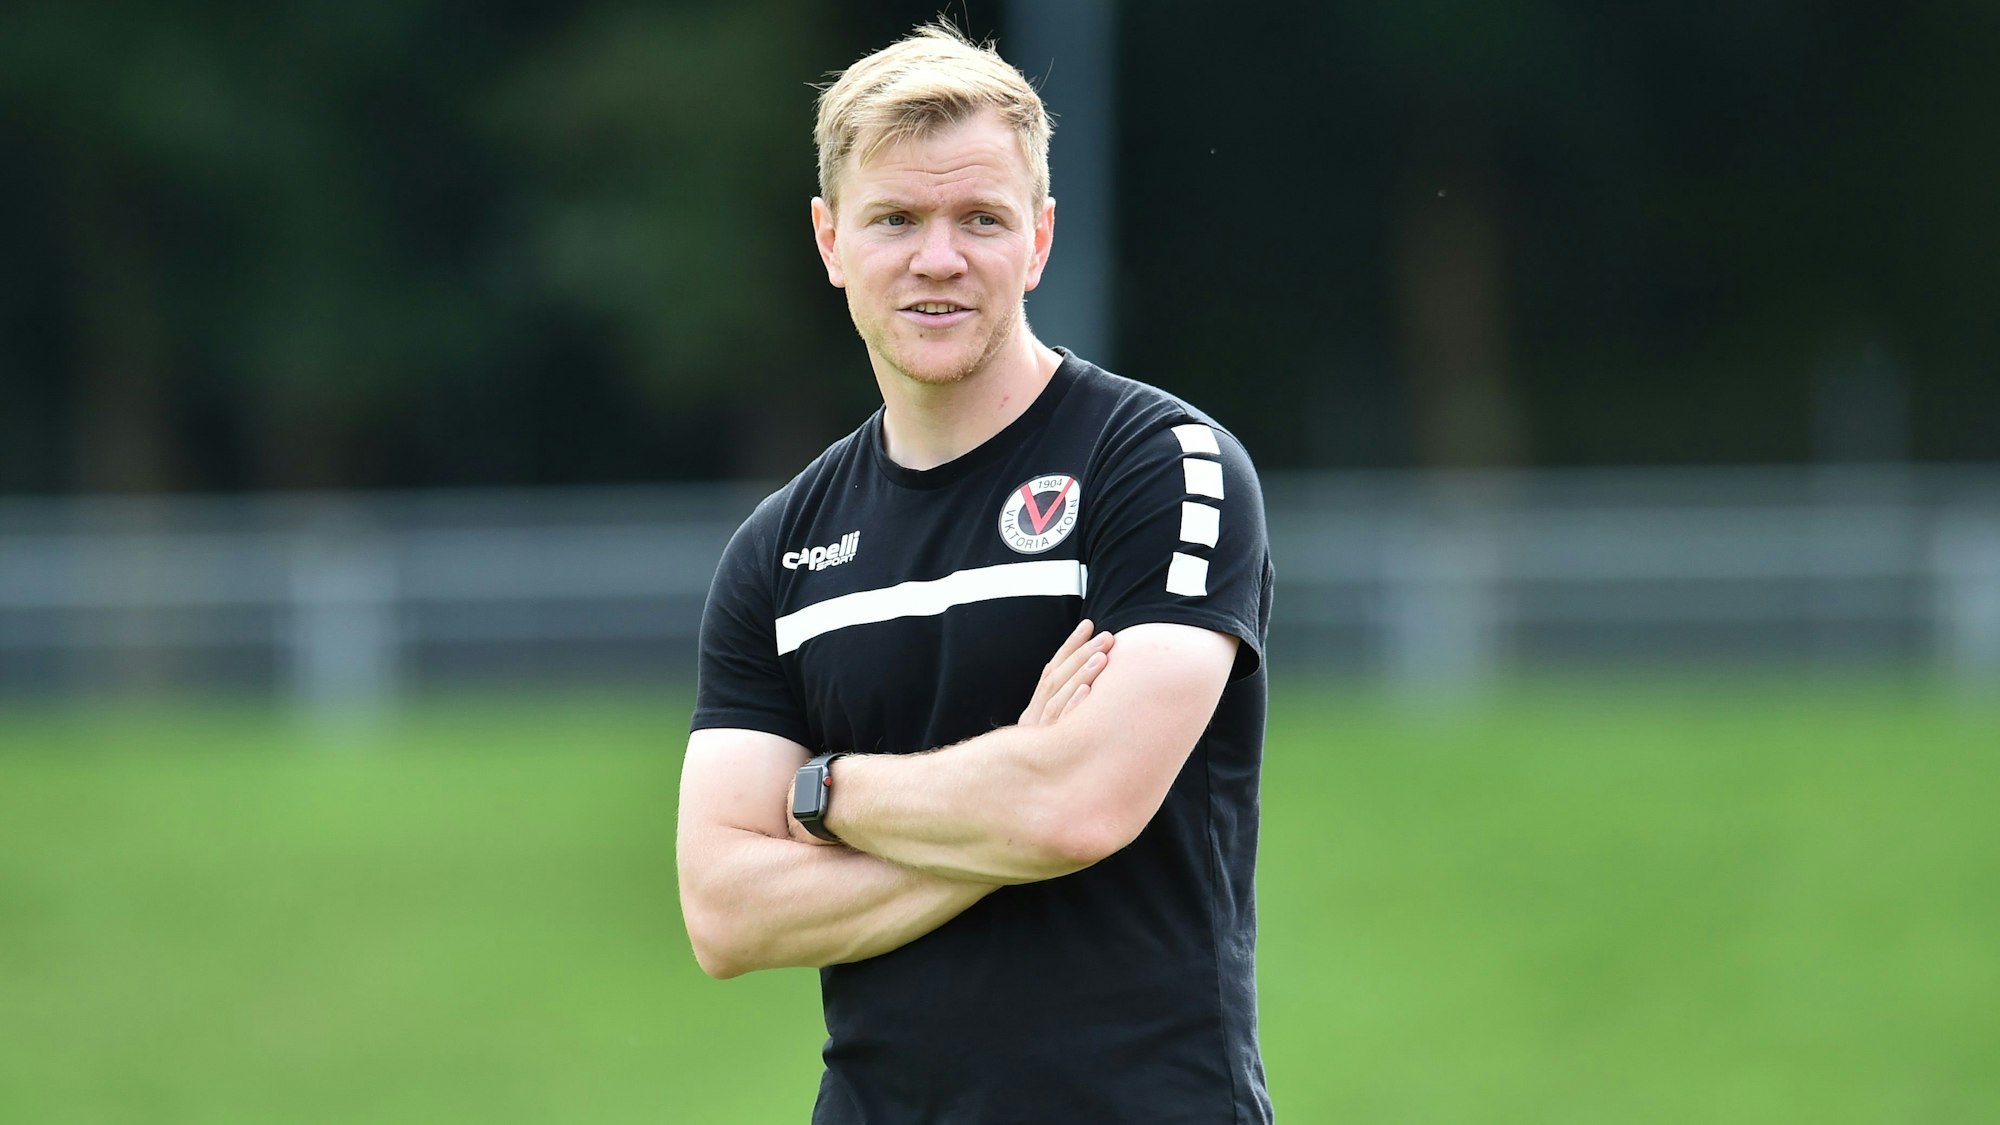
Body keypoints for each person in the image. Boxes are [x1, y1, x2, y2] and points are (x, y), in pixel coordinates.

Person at [676, 22, 1275, 1124]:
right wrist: (1012, 804)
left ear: (1039, 239)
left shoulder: (1159, 465)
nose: (937, 258)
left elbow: (1078, 808)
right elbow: (722, 911)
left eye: (980, 220)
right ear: (829, 241)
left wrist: (821, 795)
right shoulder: (778, 548)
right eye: (895, 219)